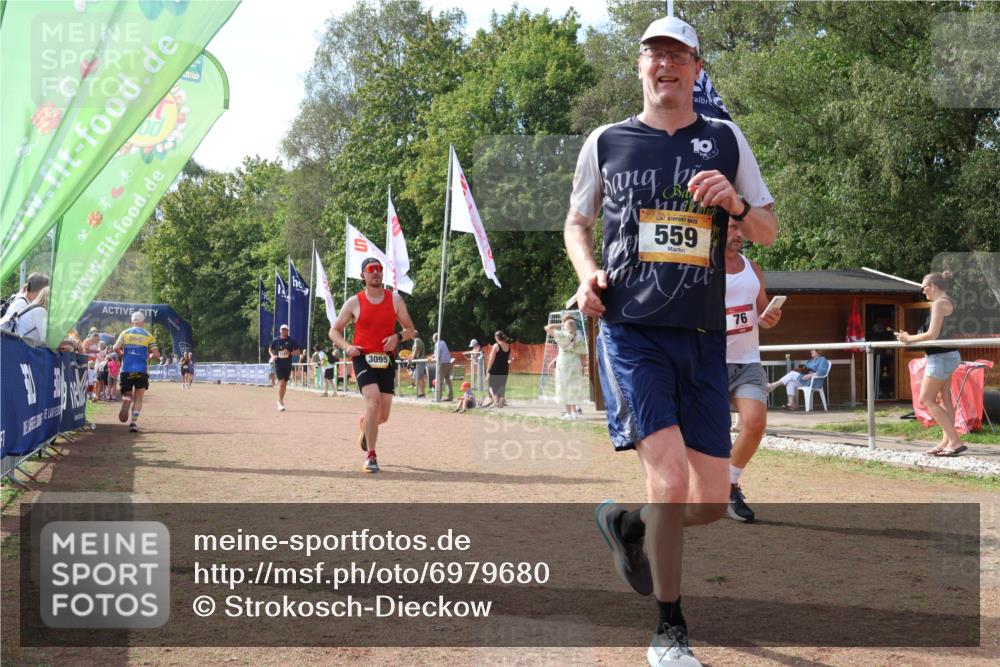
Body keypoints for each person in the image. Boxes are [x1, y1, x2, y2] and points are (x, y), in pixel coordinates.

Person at [564, 15, 777, 666]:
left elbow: (766, 229)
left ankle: (628, 525)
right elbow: (577, 222)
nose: (666, 64)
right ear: (640, 67)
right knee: (671, 476)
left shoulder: (726, 138)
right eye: (654, 53)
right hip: (632, 331)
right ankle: (669, 628)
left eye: (679, 55)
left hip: (704, 337)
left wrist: (736, 207)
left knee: (708, 502)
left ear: (696, 69)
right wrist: (586, 274)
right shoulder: (607, 141)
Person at [329, 257, 417, 473]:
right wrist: (346, 346)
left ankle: (365, 424)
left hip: (386, 359)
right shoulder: (354, 302)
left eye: (379, 269)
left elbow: (411, 330)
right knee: (373, 401)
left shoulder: (395, 300)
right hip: (362, 357)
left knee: (383, 416)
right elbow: (334, 331)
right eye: (371, 269)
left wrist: (397, 336)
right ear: (363, 275)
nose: (376, 272)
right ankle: (371, 456)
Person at [724, 220, 782, 522]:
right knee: (713, 435)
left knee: (755, 422)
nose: (739, 235)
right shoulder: (700, 271)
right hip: (708, 364)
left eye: (740, 229)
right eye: (732, 228)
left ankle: (728, 485)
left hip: (747, 361)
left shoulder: (753, 268)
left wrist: (769, 317)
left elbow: (761, 312)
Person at [895, 270, 965, 456]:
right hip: (946, 356)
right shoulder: (946, 302)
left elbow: (932, 334)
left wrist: (908, 338)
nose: (923, 291)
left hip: (941, 357)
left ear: (933, 286)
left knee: (925, 399)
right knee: (944, 399)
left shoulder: (939, 304)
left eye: (923, 287)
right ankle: (946, 441)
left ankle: (955, 441)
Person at [113, 311, 160, 433]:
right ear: (143, 321)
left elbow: (115, 348)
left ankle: (126, 399)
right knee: (139, 399)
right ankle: (133, 423)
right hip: (141, 370)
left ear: (132, 321)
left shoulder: (125, 333)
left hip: (126, 369)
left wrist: (123, 354)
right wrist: (148, 356)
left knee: (128, 394)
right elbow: (156, 355)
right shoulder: (148, 335)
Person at [544, 314, 589, 419]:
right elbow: (583, 353)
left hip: (563, 363)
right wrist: (582, 366)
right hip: (576, 363)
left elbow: (547, 328)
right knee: (574, 387)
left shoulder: (561, 335)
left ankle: (568, 413)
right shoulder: (579, 336)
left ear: (565, 326)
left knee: (563, 387)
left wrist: (560, 324)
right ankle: (574, 412)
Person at [268, 324, 301, 411]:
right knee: (282, 383)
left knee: (284, 385)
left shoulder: (291, 341)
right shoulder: (276, 340)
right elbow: (270, 349)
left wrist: (290, 353)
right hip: (279, 365)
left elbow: (298, 352)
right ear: (280, 331)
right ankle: (281, 402)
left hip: (288, 365)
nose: (284, 331)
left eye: (285, 330)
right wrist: (273, 355)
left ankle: (280, 400)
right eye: (282, 330)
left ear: (288, 331)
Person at [481, 330, 513, 408]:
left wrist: (488, 369)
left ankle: (495, 401)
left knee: (491, 385)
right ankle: (501, 403)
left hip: (495, 367)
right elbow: (510, 358)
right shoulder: (508, 346)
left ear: (497, 337)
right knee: (502, 385)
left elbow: (492, 358)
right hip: (505, 367)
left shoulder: (496, 345)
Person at [431, 332, 454, 402]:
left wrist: (434, 359)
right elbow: (440, 352)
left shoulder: (437, 344)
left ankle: (438, 398)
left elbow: (438, 355)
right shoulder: (443, 342)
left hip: (442, 364)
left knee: (439, 382)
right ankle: (450, 397)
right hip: (449, 363)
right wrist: (432, 356)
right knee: (448, 381)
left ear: (434, 339)